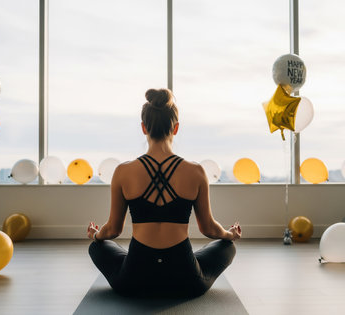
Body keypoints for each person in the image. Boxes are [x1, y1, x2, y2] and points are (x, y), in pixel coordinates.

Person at [87, 88, 241, 298]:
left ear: (144, 128)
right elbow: (209, 228)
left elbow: (113, 230)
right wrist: (229, 234)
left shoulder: (123, 171)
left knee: (97, 248)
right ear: (175, 128)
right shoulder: (196, 171)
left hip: (134, 280)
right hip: (185, 280)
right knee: (227, 247)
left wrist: (95, 235)